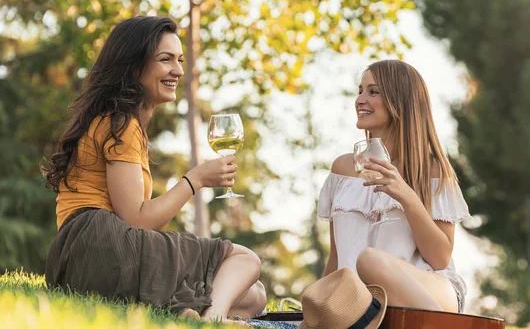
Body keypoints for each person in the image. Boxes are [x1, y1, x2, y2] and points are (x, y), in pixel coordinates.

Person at [42, 16, 266, 323]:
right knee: (245, 259)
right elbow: (136, 218)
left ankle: (184, 312)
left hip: (74, 262)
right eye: (165, 60)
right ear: (134, 66)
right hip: (100, 245)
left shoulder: (108, 120)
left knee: (254, 296)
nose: (177, 70)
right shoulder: (121, 124)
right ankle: (212, 320)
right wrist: (196, 179)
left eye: (179, 59)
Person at [318, 59, 471, 313]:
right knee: (348, 280)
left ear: (400, 101)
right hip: (363, 300)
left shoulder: (433, 171)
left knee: (370, 260)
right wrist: (320, 307)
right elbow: (336, 260)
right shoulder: (342, 171)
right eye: (360, 91)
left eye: (373, 91)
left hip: (431, 291)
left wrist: (407, 197)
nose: (360, 100)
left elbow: (440, 258)